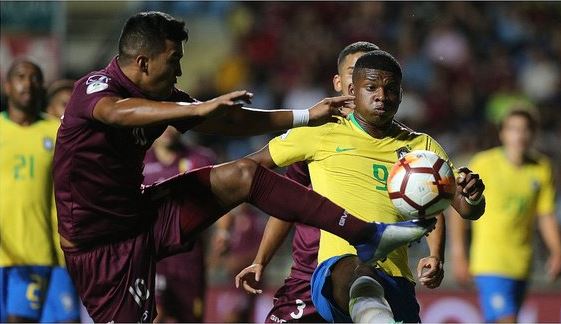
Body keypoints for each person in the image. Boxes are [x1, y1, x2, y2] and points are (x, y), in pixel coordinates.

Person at [52, 12, 436, 322]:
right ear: (142, 62)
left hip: (141, 215)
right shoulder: (96, 88)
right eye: (173, 62)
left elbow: (231, 122)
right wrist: (196, 108)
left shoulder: (163, 96)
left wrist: (304, 116)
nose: (179, 73)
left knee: (243, 174)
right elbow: (118, 114)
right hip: (101, 248)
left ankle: (367, 235)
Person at [236, 50, 486, 323]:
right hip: (336, 269)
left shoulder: (421, 147)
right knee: (359, 269)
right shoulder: (319, 132)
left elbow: (464, 209)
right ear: (352, 90)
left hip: (396, 277)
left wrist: (471, 197)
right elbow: (249, 167)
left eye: (390, 89)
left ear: (400, 95)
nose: (381, 95)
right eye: (371, 88)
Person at [235, 41, 384, 323]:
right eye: (356, 72)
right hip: (311, 275)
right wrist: (260, 259)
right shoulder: (316, 134)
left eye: (372, 73)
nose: (364, 80)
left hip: (372, 276)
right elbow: (287, 203)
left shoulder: (401, 144)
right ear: (339, 82)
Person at [450, 108, 561, 323]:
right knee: (507, 320)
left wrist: (557, 252)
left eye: (524, 129)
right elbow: (457, 210)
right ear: (502, 134)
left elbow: (546, 215)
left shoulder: (541, 168)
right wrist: (458, 254)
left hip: (521, 263)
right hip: (489, 262)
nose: (519, 135)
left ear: (533, 133)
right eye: (513, 129)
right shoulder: (484, 164)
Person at [0, 60, 62, 322]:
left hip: (36, 250)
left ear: (42, 87)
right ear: (7, 86)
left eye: (35, 77)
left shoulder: (57, 131)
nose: (27, 83)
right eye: (20, 76)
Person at [142, 127, 213, 322]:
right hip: (151, 258)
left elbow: (221, 201)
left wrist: (223, 235)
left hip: (188, 257)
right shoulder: (138, 162)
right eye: (161, 123)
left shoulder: (200, 160)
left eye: (173, 122)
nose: (167, 129)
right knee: (154, 315)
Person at [41, 78, 81, 323]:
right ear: (49, 111)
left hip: (68, 253)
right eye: (63, 105)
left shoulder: (86, 150)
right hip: (33, 251)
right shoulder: (37, 146)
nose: (69, 112)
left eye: (74, 106)